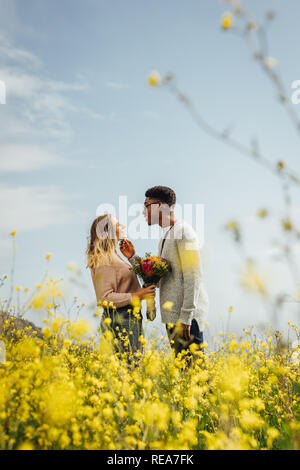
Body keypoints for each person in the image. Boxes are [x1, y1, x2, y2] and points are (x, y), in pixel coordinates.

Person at [120, 186, 209, 359]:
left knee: (198, 377)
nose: (143, 211)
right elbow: (162, 279)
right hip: (173, 317)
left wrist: (185, 318)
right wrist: (133, 258)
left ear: (159, 206)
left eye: (146, 205)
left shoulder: (185, 233)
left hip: (185, 319)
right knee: (186, 376)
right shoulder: (165, 236)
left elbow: (194, 276)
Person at [86, 214, 156, 361]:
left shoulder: (114, 256)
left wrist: (132, 257)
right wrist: (137, 296)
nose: (123, 226)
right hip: (120, 319)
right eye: (118, 225)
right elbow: (104, 298)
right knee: (130, 369)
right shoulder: (105, 259)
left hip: (127, 317)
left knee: (131, 369)